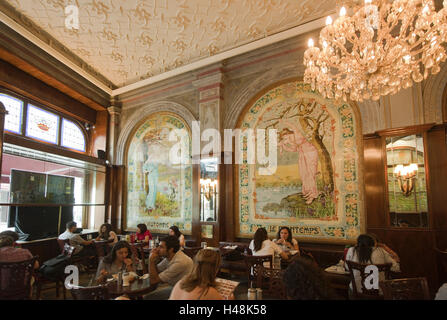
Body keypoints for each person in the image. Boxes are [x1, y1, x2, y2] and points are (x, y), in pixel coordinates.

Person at [278, 118, 319, 204]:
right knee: (304, 174)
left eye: (286, 137)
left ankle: (312, 195)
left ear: (289, 134)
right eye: (284, 138)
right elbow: (293, 150)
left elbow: (292, 126)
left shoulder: (296, 134)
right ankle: (308, 192)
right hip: (302, 154)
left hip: (310, 152)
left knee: (310, 174)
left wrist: (284, 121)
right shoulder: (291, 141)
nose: (286, 139)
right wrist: (283, 147)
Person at [145, 235, 193, 299]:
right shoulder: (170, 256)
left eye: (161, 247)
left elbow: (154, 280)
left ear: (170, 249)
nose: (157, 249)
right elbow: (157, 270)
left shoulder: (180, 262)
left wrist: (151, 261)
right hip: (175, 286)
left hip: (184, 290)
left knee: (148, 297)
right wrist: (154, 260)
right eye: (158, 246)